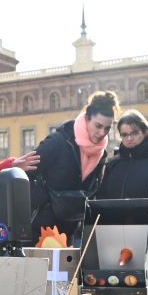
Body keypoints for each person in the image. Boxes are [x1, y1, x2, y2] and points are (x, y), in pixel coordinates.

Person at [96, 110, 148, 290]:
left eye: (133, 133)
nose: (129, 138)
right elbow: (103, 197)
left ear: (145, 132)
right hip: (117, 237)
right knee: (120, 288)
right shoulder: (114, 164)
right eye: (124, 134)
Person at [30, 90, 117, 239]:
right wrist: (44, 202)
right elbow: (25, 172)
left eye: (107, 128)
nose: (102, 133)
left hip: (71, 231)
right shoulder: (57, 142)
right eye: (98, 126)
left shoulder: (101, 153)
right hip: (40, 230)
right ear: (87, 119)